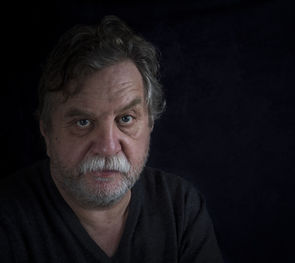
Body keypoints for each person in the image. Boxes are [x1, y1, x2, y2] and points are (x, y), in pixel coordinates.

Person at [0, 15, 223, 262]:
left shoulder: (179, 207)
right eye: (83, 122)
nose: (108, 148)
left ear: (149, 123)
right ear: (47, 130)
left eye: (126, 118)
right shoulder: (8, 219)